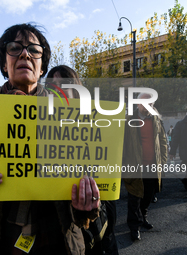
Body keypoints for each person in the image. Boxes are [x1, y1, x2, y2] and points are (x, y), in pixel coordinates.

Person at [0, 23, 100, 255]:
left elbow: (84, 178)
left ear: (41, 68)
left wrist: (85, 205)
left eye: (34, 50)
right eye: (15, 47)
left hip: (57, 237)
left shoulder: (68, 113)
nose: (25, 54)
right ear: (3, 63)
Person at [47, 65, 118, 255]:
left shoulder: (98, 122)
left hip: (93, 228)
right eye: (52, 86)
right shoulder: (39, 125)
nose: (58, 90)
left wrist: (94, 206)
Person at [122, 92, 167, 242]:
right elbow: (121, 144)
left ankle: (143, 217)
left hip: (152, 166)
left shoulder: (156, 119)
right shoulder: (129, 120)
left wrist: (163, 161)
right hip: (134, 166)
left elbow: (163, 141)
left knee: (148, 195)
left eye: (151, 104)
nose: (149, 107)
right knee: (134, 197)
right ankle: (134, 227)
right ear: (138, 104)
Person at [169, 114, 187, 190]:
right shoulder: (180, 124)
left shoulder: (180, 124)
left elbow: (175, 138)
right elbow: (175, 138)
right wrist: (172, 152)